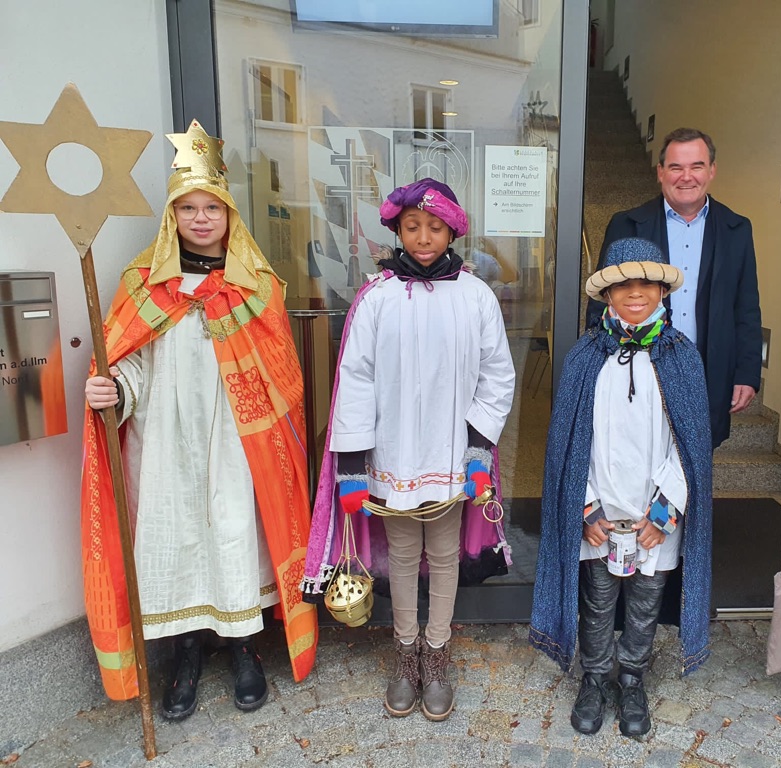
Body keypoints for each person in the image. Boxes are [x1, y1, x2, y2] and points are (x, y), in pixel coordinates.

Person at [81, 121, 318, 719]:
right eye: (188, 207)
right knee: (178, 536)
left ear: (229, 213)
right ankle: (185, 654)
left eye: (211, 206)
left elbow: (280, 378)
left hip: (239, 443)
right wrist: (113, 390)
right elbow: (131, 363)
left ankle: (244, 647)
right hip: (166, 443)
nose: (201, 218)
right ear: (173, 216)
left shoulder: (256, 287)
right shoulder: (144, 284)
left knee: (236, 533)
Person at [302, 178, 516, 722]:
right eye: (413, 226)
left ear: (451, 231)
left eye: (435, 227)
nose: (424, 236)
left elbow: (497, 375)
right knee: (401, 555)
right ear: (398, 229)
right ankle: (404, 653)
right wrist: (352, 465)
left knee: (442, 555)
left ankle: (437, 652)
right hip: (391, 459)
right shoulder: (376, 298)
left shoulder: (476, 297)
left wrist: (477, 448)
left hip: (449, 459)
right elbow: (353, 379)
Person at [530, 238, 713, 737]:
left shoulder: (680, 357)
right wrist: (584, 507)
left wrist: (666, 510)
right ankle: (594, 676)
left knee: (646, 598)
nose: (635, 294)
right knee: (597, 596)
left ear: (662, 291)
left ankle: (632, 677)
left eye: (646, 284)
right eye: (623, 285)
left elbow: (692, 444)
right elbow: (568, 444)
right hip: (601, 510)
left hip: (656, 515)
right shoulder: (586, 356)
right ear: (606, 296)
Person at [586, 127, 762, 449]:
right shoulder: (626, 224)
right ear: (660, 172)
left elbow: (746, 307)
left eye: (696, 166)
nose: (686, 177)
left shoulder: (737, 229)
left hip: (708, 369)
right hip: (638, 366)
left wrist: (747, 373)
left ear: (711, 171)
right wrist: (599, 361)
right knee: (636, 457)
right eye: (676, 167)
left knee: (694, 464)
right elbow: (603, 301)